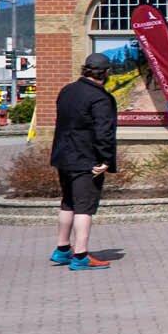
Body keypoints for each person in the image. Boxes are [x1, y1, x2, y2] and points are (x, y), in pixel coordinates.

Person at [49, 53, 118, 270]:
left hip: (63, 156)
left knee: (68, 202)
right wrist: (106, 159)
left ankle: (62, 250)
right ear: (105, 73)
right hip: (86, 159)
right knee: (84, 208)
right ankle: (80, 256)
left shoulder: (67, 91)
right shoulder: (100, 98)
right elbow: (103, 132)